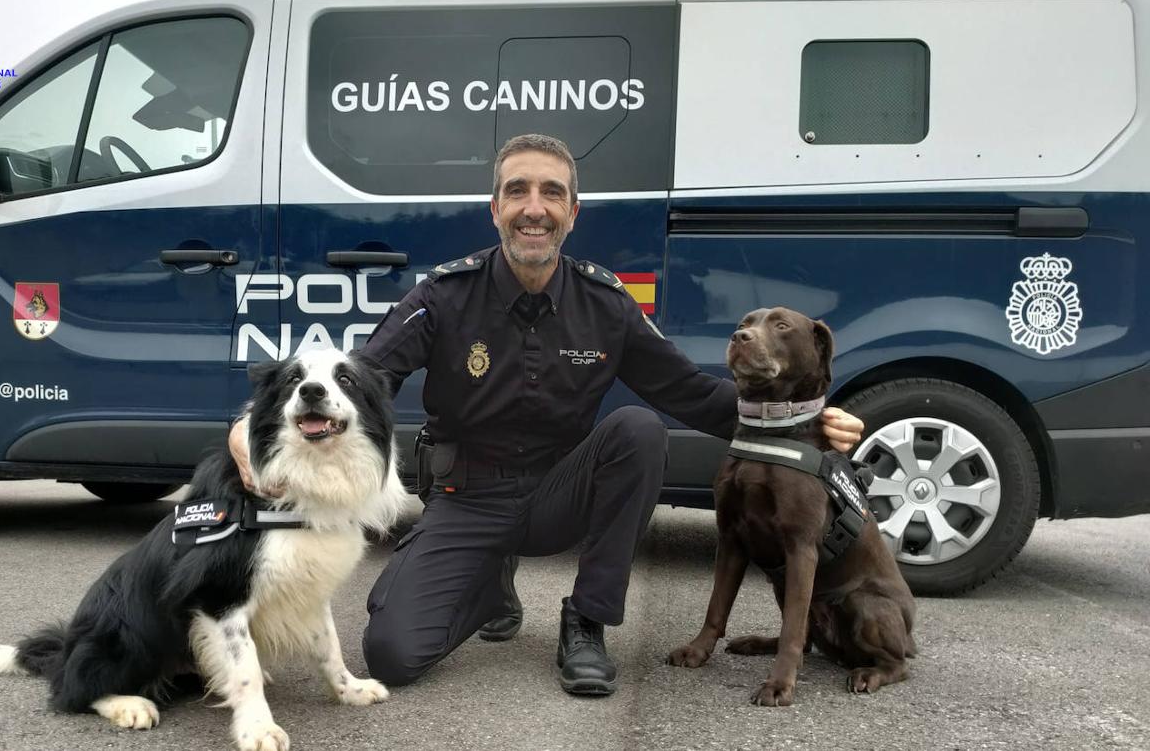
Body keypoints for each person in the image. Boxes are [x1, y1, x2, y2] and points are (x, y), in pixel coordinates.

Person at [230, 134, 864, 696]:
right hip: (466, 498)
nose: (534, 206)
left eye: (551, 193)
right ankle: (486, 585)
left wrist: (803, 422)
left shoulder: (605, 303)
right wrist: (252, 428)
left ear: (571, 212)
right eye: (518, 191)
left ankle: (586, 621)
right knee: (393, 655)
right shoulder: (444, 296)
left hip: (558, 494)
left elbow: (692, 394)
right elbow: (362, 379)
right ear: (496, 208)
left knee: (638, 430)